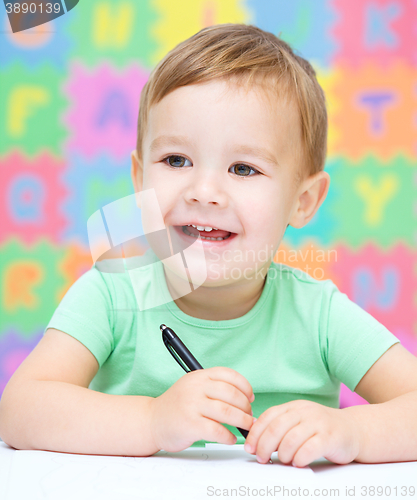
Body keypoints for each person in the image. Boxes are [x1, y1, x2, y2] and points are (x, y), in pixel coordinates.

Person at [1, 24, 416, 468]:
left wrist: (352, 432)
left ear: (303, 201)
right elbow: (20, 409)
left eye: (243, 168)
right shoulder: (111, 294)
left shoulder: (319, 316)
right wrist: (152, 420)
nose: (204, 191)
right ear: (140, 178)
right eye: (176, 160)